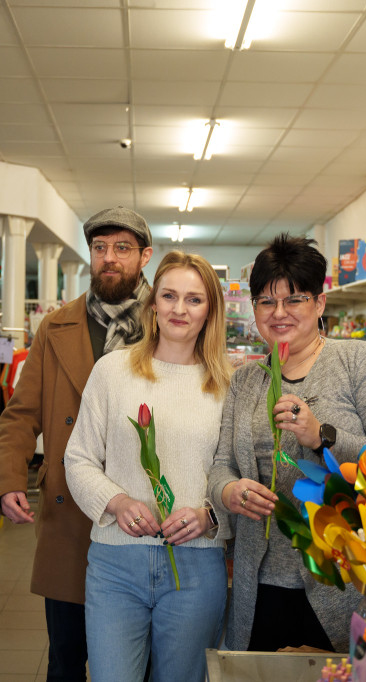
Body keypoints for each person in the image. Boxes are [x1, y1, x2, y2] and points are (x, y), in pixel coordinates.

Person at [207, 233, 366, 653]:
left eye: (295, 300)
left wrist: (324, 436)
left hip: (344, 581)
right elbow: (221, 465)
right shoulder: (248, 380)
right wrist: (229, 490)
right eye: (266, 302)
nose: (279, 313)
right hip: (260, 582)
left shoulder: (358, 361)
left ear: (319, 304)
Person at [0, 206, 153, 681]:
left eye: (122, 248)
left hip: (143, 510)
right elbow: (22, 413)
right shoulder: (56, 326)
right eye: (100, 248)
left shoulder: (168, 323)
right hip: (70, 516)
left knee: (141, 660)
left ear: (144, 256)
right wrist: (8, 479)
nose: (109, 259)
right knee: (66, 657)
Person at [65, 251, 232, 682]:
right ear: (152, 304)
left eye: (194, 299)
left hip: (197, 568)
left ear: (211, 309)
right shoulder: (113, 371)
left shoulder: (230, 385)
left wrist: (208, 517)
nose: (180, 309)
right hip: (116, 563)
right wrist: (117, 502)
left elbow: (234, 476)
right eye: (169, 295)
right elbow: (78, 457)